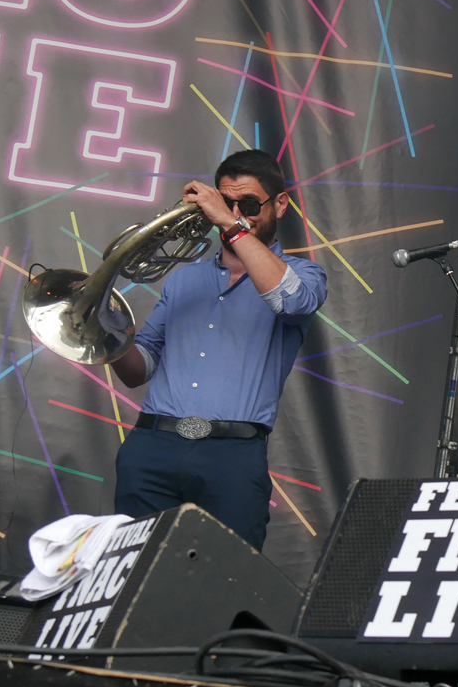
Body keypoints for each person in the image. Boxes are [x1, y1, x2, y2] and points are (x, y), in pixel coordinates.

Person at [111, 150, 327, 549]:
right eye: (226, 203)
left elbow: (291, 301)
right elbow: (138, 370)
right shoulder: (182, 280)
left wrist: (229, 222)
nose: (236, 213)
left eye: (248, 204)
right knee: (132, 569)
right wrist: (108, 335)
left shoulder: (304, 275)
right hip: (151, 448)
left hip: (232, 457)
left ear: (280, 204)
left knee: (226, 575)